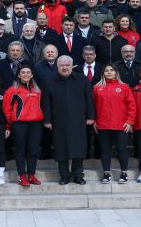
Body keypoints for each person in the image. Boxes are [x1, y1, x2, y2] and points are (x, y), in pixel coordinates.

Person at [42, 56, 95, 185]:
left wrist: (91, 117)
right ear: (57, 66)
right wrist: (47, 120)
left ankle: (78, 175)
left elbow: (89, 99)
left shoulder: (82, 79)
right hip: (58, 120)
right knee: (61, 148)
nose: (65, 67)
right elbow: (46, 103)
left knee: (78, 148)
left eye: (67, 65)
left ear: (72, 66)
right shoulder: (49, 81)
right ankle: (64, 175)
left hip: (79, 119)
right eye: (62, 65)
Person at [92, 64, 136, 184]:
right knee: (105, 150)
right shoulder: (97, 88)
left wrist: (129, 121)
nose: (109, 72)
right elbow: (93, 107)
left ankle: (124, 173)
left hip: (120, 125)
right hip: (103, 125)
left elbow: (131, 106)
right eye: (106, 70)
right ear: (103, 73)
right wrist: (95, 121)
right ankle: (106, 173)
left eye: (112, 70)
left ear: (116, 72)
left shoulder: (124, 87)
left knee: (121, 149)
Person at [3, 66, 44, 186]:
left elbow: (42, 105)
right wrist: (13, 119)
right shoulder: (12, 90)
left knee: (33, 150)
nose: (26, 74)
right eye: (23, 73)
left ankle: (31, 174)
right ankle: (22, 176)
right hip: (20, 124)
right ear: (19, 75)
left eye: (28, 73)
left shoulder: (37, 90)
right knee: (20, 150)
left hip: (35, 124)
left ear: (32, 75)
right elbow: (6, 108)